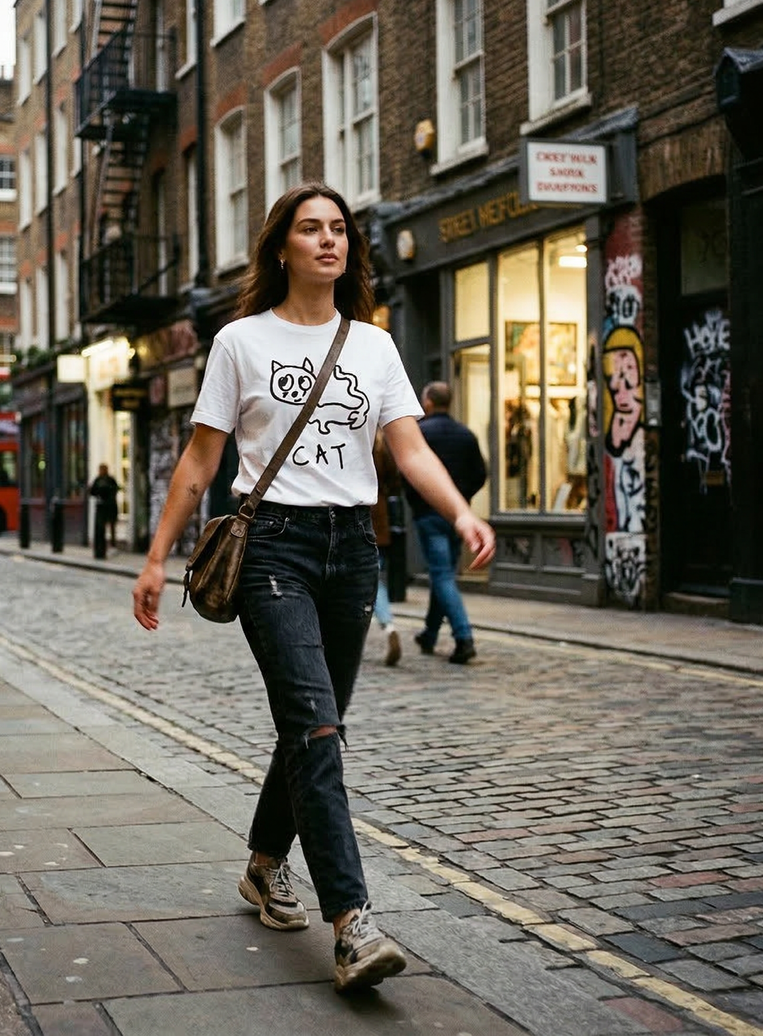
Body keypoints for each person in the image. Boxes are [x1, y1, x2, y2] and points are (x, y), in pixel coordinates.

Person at [132, 182, 495, 993]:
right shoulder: (240, 342)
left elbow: (408, 449)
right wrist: (156, 558)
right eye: (310, 228)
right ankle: (353, 925)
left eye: (338, 229)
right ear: (282, 247)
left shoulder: (373, 345)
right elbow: (200, 459)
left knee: (313, 724)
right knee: (317, 728)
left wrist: (461, 513)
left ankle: (265, 863)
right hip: (272, 549)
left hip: (353, 549)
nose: (328, 240)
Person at [404, 381, 488, 665]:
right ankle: (429, 634)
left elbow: (408, 472)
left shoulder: (420, 434)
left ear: (428, 402)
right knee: (444, 575)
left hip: (429, 515)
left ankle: (464, 637)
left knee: (441, 576)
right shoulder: (466, 434)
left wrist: (417, 500)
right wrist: (462, 500)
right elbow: (480, 473)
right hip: (457, 517)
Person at [371, 431, 402, 666]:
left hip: (350, 515)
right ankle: (389, 626)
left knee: (367, 581)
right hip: (378, 517)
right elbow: (395, 482)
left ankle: (387, 624)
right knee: (375, 578)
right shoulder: (382, 445)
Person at [89, 463, 120, 546]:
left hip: (109, 505)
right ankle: (103, 542)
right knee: (102, 525)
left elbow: (115, 490)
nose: (101, 471)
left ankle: (112, 542)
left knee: (111, 524)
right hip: (103, 506)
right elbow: (92, 492)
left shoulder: (109, 480)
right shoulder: (98, 480)